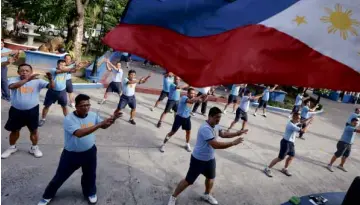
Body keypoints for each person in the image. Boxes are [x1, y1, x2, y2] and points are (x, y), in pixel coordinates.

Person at [37, 94, 121, 205]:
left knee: (90, 175)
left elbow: (104, 126)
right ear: (76, 106)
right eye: (83, 105)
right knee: (60, 176)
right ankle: (47, 196)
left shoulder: (92, 115)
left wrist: (113, 119)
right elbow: (79, 133)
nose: (86, 107)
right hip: (71, 155)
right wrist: (100, 123)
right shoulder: (69, 119)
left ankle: (90, 193)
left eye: (88, 105)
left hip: (90, 152)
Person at [167, 107, 248, 205]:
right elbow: (215, 144)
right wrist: (232, 143)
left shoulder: (216, 125)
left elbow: (223, 134)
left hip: (210, 159)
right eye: (217, 117)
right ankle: (173, 196)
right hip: (198, 160)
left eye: (220, 117)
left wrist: (237, 133)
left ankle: (207, 194)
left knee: (210, 178)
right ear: (210, 116)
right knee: (188, 181)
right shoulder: (205, 128)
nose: (218, 119)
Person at [1, 64, 54, 159]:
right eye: (22, 70)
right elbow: (12, 87)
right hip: (16, 110)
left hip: (32, 111)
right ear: (18, 72)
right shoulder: (14, 79)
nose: (24, 72)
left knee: (34, 130)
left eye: (27, 70)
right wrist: (28, 80)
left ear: (31, 72)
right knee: (14, 131)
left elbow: (51, 87)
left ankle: (34, 148)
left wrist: (50, 79)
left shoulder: (37, 81)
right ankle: (12, 147)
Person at [264, 112, 308, 177]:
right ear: (294, 117)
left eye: (299, 118)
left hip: (291, 143)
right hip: (285, 143)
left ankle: (285, 169)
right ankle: (267, 168)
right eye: (298, 118)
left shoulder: (294, 122)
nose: (299, 119)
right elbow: (303, 131)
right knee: (280, 158)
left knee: (291, 156)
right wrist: (307, 125)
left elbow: (300, 122)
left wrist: (308, 119)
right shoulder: (291, 125)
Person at [160, 88, 203, 153]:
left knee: (188, 132)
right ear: (188, 93)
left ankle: (187, 144)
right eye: (191, 93)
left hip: (187, 118)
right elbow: (191, 101)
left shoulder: (194, 98)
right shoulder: (184, 98)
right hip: (179, 118)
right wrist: (201, 95)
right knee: (172, 132)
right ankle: (163, 144)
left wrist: (206, 95)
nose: (193, 94)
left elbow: (201, 101)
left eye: (194, 93)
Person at [39, 60, 74, 127]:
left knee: (64, 106)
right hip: (52, 91)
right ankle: (43, 119)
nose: (62, 66)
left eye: (64, 65)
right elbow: (59, 71)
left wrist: (78, 66)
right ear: (57, 65)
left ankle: (68, 120)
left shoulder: (66, 70)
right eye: (61, 64)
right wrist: (71, 68)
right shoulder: (53, 70)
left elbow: (74, 70)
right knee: (47, 106)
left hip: (62, 92)